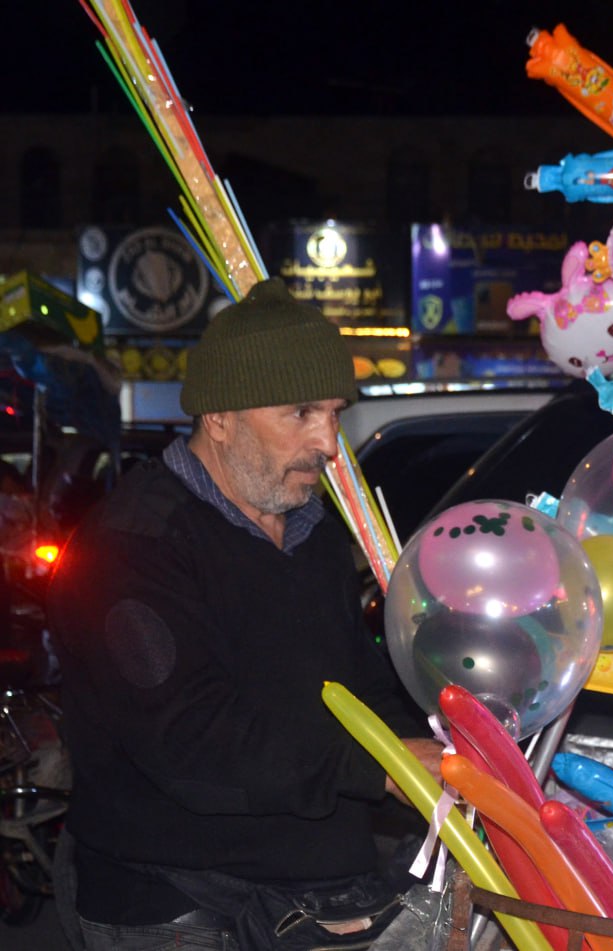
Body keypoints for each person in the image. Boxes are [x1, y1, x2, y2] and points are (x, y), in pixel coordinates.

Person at [48, 278, 445, 950]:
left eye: (334, 413)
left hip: (310, 894)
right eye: (300, 412)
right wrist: (380, 768)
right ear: (220, 417)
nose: (328, 442)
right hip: (178, 904)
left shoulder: (312, 531)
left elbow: (354, 683)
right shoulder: (135, 544)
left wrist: (435, 743)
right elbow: (193, 740)